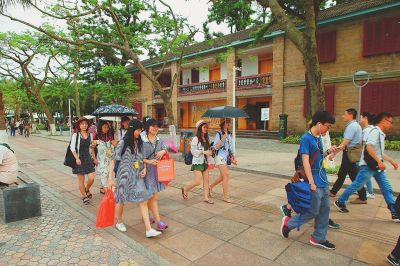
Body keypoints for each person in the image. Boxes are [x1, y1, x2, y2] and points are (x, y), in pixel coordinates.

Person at [281, 111, 336, 250]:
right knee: (312, 211)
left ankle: (318, 238)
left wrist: (329, 152)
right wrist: (311, 182)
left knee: (325, 210)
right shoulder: (306, 138)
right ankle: (288, 225)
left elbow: (318, 157)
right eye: (327, 126)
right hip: (314, 180)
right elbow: (305, 161)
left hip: (322, 179)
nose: (328, 129)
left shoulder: (318, 138)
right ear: (319, 124)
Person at [334, 112, 399, 222]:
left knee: (387, 188)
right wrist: (379, 161)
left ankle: (394, 211)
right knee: (356, 185)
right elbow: (369, 147)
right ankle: (340, 201)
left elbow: (379, 152)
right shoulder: (375, 132)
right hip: (368, 166)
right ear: (384, 120)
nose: (391, 125)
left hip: (377, 167)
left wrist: (391, 161)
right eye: (390, 122)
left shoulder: (381, 134)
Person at [108, 119, 161, 238]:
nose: (139, 132)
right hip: (124, 176)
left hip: (137, 175)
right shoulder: (123, 143)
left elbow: (141, 158)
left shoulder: (139, 142)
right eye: (137, 130)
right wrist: (110, 179)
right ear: (132, 129)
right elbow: (113, 160)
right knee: (121, 200)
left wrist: (145, 167)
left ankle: (148, 230)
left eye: (140, 130)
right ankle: (119, 222)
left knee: (144, 199)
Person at [330, 109, 367, 204]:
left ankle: (363, 197)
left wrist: (334, 153)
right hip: (349, 154)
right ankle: (333, 191)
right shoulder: (355, 125)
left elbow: (344, 143)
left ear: (350, 115)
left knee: (354, 176)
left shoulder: (352, 126)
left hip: (350, 154)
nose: (343, 116)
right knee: (342, 173)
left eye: (345, 114)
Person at [141, 118, 168, 231]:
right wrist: (147, 162)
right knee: (151, 196)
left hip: (157, 171)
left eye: (157, 126)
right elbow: (137, 156)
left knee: (152, 196)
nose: (155, 128)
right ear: (148, 127)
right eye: (153, 126)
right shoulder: (141, 140)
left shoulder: (159, 139)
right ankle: (158, 221)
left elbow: (165, 148)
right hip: (145, 171)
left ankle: (147, 216)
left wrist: (163, 151)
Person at [181, 120, 214, 204]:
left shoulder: (207, 138)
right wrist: (203, 152)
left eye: (206, 127)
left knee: (206, 181)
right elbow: (193, 151)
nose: (206, 129)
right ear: (200, 128)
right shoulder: (195, 139)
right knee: (197, 181)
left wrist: (211, 150)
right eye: (204, 127)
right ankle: (185, 189)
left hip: (205, 162)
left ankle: (206, 198)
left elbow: (208, 149)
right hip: (197, 162)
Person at [70, 117, 98, 205]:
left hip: (88, 158)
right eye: (82, 124)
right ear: (79, 125)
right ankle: (84, 196)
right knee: (81, 180)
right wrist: (76, 158)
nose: (84, 125)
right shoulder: (76, 135)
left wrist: (94, 158)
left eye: (86, 124)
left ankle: (87, 189)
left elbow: (91, 148)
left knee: (91, 178)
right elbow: (72, 148)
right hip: (79, 159)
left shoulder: (90, 135)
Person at [209, 118, 237, 203]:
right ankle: (226, 197)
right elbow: (215, 147)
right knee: (226, 175)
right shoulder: (219, 134)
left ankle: (210, 187)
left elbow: (230, 148)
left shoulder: (230, 135)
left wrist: (232, 158)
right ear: (222, 124)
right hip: (219, 156)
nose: (228, 124)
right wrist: (223, 138)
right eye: (227, 122)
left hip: (225, 157)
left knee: (222, 176)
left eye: (229, 123)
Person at [95, 120, 117, 194]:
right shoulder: (97, 136)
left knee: (108, 174)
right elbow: (92, 147)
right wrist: (94, 159)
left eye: (107, 127)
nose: (106, 129)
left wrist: (114, 139)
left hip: (109, 159)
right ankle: (107, 191)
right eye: (104, 127)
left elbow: (115, 144)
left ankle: (105, 187)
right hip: (100, 159)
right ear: (100, 128)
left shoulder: (110, 135)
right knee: (103, 174)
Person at [360, 112, 376, 199]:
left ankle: (369, 192)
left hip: (366, 157)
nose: (360, 119)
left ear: (365, 118)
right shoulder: (372, 128)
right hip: (370, 157)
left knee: (366, 174)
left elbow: (364, 144)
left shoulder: (366, 130)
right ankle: (361, 189)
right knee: (365, 174)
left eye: (361, 117)